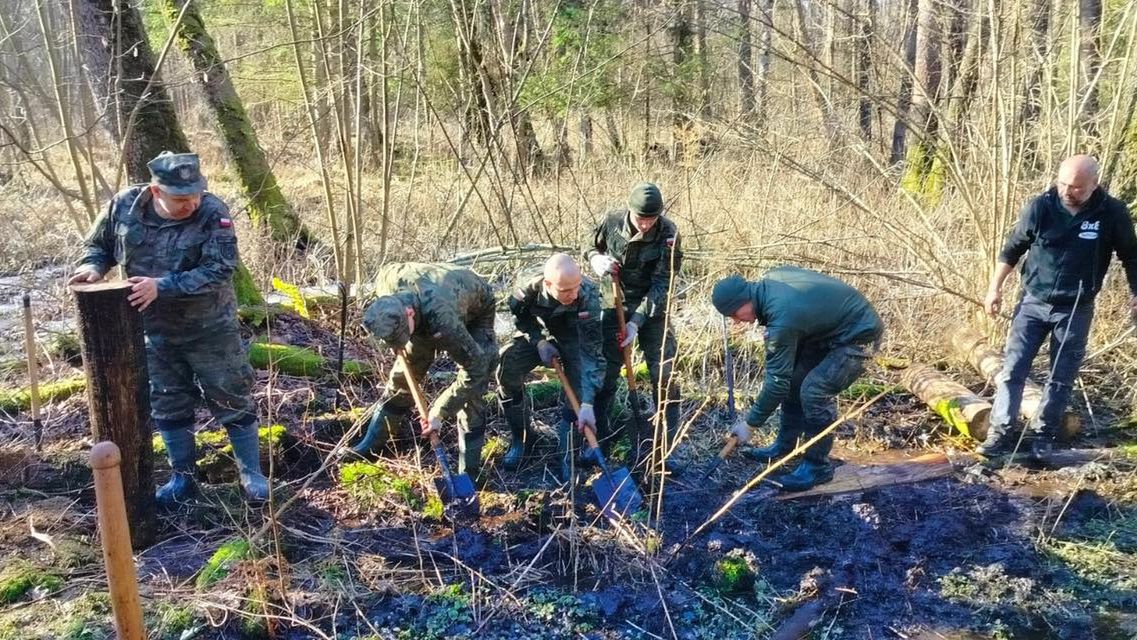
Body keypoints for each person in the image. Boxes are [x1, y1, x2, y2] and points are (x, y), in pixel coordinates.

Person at [68, 151, 269, 507]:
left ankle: (251, 475)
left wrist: (163, 285)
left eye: (195, 194)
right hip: (153, 330)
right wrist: (93, 267)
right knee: (167, 402)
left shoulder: (213, 212)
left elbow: (221, 268)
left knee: (231, 395)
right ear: (155, 190)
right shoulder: (124, 207)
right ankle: (184, 479)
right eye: (180, 198)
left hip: (210, 327)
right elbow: (98, 246)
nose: (190, 203)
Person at [979, 154, 1137, 457]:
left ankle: (1044, 436)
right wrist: (994, 288)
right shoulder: (1041, 207)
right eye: (1063, 183)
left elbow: (1131, 256)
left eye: (1077, 187)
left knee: (1061, 377)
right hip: (1032, 302)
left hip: (1076, 307)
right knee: (1013, 370)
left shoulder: (1111, 212)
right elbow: (1012, 250)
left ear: (1094, 184)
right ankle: (999, 434)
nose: (1068, 191)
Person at [711, 266, 883, 491]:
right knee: (794, 380)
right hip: (825, 332)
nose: (736, 321)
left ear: (745, 300)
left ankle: (817, 466)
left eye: (734, 314)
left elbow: (775, 383)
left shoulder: (782, 318)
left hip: (859, 335)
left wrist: (750, 424)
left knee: (814, 391)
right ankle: (784, 446)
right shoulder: (771, 283)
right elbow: (784, 378)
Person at [352, 263, 497, 479]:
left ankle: (469, 473)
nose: (398, 344)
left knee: (473, 390)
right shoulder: (387, 281)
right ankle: (370, 446)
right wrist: (399, 340)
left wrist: (439, 411)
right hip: (427, 306)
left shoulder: (443, 320)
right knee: (402, 377)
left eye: (401, 335)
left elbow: (475, 371)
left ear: (409, 313)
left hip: (476, 307)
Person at [585, 182, 682, 468]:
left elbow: (663, 282)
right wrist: (596, 259)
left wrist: (637, 323)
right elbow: (588, 244)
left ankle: (666, 447)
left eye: (651, 219)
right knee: (606, 374)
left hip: (651, 310)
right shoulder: (612, 220)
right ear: (630, 210)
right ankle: (600, 442)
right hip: (612, 302)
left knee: (665, 374)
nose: (646, 224)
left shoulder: (668, 233)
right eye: (641, 218)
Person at [496, 253, 606, 481]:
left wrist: (586, 402)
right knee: (508, 365)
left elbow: (591, 351)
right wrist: (539, 341)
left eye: (576, 287)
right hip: (541, 333)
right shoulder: (526, 288)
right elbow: (520, 317)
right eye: (566, 291)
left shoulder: (588, 295)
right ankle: (522, 440)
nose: (573, 294)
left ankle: (568, 455)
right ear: (548, 284)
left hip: (574, 336)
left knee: (578, 384)